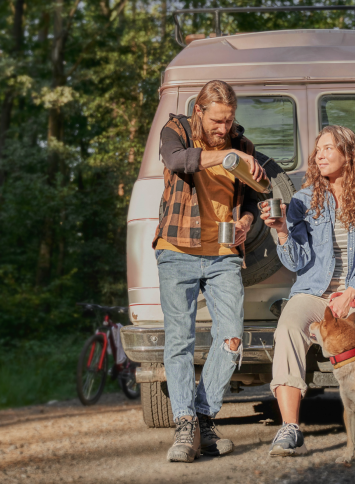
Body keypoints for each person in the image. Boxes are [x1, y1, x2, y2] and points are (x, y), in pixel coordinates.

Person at [260, 125, 355, 459]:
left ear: (349, 153)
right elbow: (297, 260)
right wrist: (283, 231)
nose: (320, 155)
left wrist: (352, 291)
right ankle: (290, 428)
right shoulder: (302, 201)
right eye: (318, 150)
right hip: (313, 291)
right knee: (287, 328)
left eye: (329, 148)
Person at [153, 80, 267, 463]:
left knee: (232, 336)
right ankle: (185, 424)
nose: (224, 129)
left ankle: (202, 416)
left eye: (229, 120)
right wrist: (224, 155)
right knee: (180, 341)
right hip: (177, 249)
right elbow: (176, 161)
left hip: (224, 253)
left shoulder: (242, 145)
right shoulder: (177, 130)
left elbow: (253, 194)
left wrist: (247, 219)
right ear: (199, 111)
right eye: (217, 121)